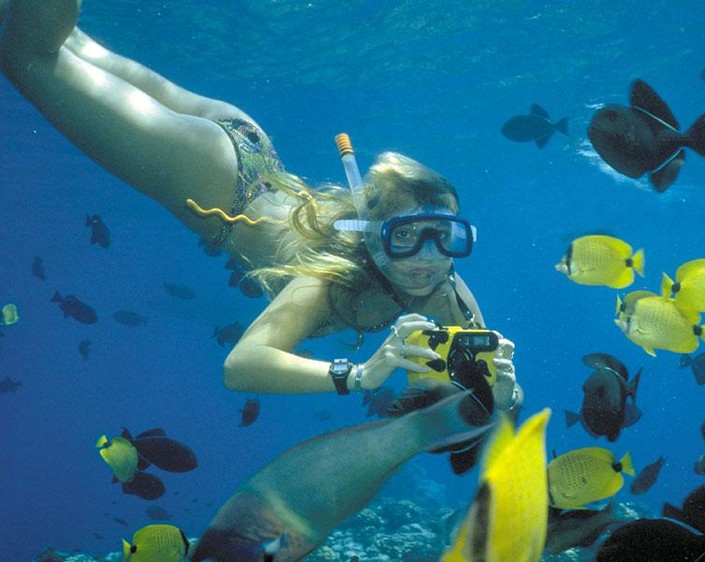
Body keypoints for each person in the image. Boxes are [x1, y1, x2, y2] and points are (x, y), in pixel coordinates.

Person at [0, 0, 521, 411]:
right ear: (371, 234)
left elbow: (488, 389)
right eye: (405, 236)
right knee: (29, 54)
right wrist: (358, 374)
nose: (428, 257)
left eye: (446, 237)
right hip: (208, 177)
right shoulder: (330, 279)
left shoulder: (444, 289)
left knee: (66, 43)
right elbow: (241, 365)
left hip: (250, 147)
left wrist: (503, 391)